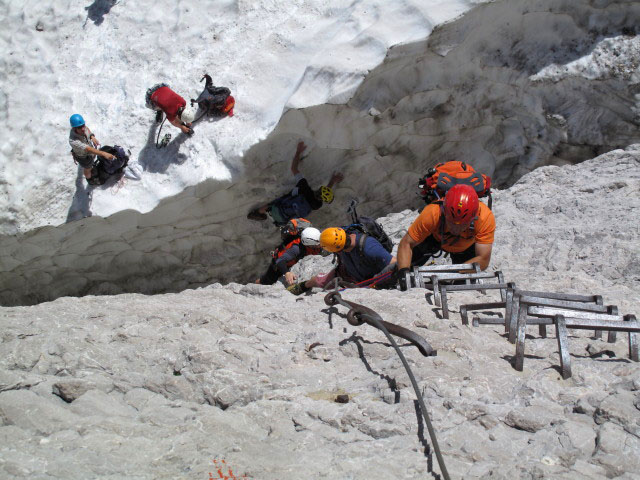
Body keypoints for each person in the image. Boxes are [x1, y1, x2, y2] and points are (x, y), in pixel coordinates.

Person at [395, 184, 496, 290]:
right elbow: (407, 243)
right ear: (444, 212)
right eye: (452, 223)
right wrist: (403, 272)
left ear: (474, 218)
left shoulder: (485, 218)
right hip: (435, 239)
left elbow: (483, 259)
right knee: (402, 271)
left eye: (462, 225)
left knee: (462, 286)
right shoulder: (432, 213)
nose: (456, 229)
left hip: (465, 248)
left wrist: (452, 273)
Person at [247, 141, 344, 226]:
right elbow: (324, 194)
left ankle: (257, 213)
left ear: (318, 190)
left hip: (277, 209)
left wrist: (298, 152)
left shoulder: (304, 187)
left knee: (274, 204)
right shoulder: (317, 205)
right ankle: (265, 214)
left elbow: (294, 168)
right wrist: (332, 182)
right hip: (282, 220)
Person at [287, 227, 396, 295]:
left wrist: (376, 282)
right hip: (348, 271)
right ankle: (303, 286)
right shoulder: (340, 238)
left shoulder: (369, 247)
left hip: (368, 278)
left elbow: (395, 264)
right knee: (319, 280)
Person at [255, 227, 322, 287]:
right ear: (309, 244)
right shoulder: (296, 249)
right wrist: (287, 273)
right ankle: (255, 284)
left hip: (292, 262)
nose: (320, 244)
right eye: (318, 244)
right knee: (267, 281)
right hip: (279, 266)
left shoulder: (315, 242)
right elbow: (280, 261)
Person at [68, 114, 115, 181]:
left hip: (89, 152)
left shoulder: (81, 127)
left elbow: (87, 129)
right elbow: (88, 149)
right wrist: (104, 154)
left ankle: (91, 166)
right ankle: (90, 179)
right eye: (79, 127)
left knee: (91, 162)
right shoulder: (73, 141)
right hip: (84, 157)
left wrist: (92, 136)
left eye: (83, 125)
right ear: (74, 128)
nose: (83, 129)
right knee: (88, 168)